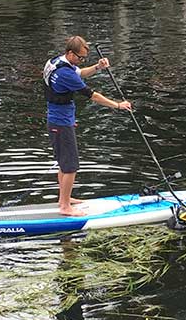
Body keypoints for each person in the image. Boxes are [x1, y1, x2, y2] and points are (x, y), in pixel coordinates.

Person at [44, 36, 132, 215]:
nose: (82, 61)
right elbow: (94, 96)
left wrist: (98, 67)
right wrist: (118, 105)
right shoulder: (65, 73)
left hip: (58, 119)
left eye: (84, 58)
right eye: (80, 57)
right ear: (70, 53)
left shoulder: (56, 62)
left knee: (64, 163)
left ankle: (65, 198)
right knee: (71, 166)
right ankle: (64, 206)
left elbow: (80, 73)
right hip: (60, 122)